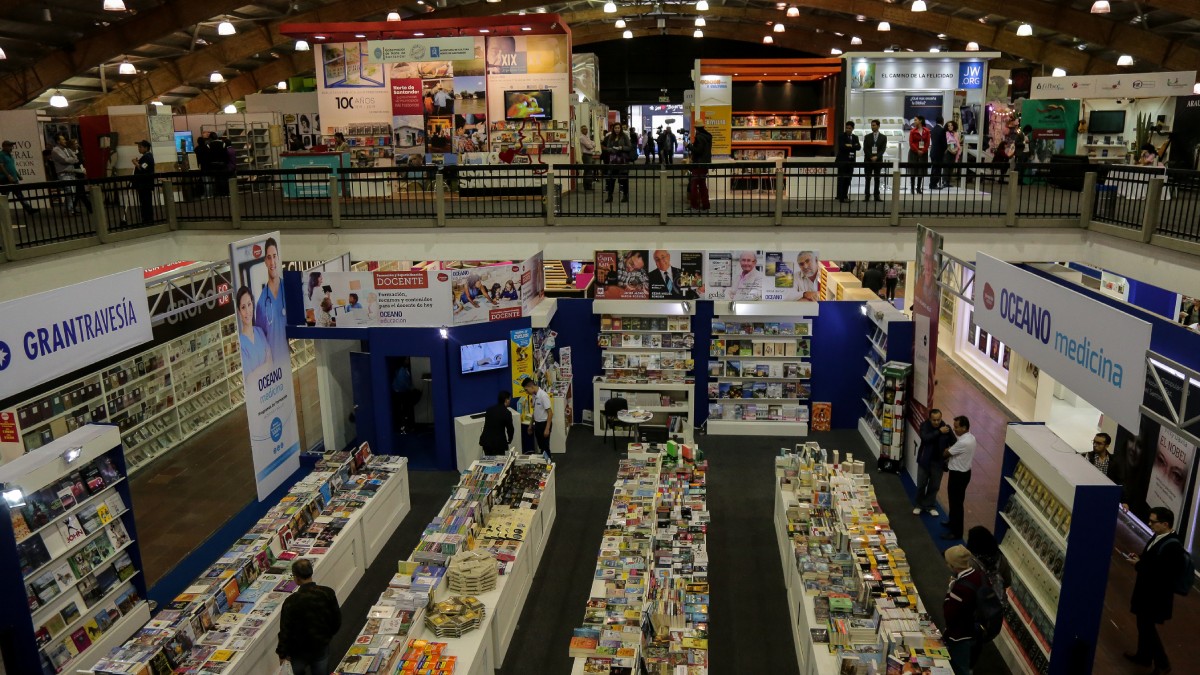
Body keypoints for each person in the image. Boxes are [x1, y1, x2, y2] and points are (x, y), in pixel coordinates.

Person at [1126, 506, 1186, 674]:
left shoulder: (1173, 546)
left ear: (1165, 524)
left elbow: (1162, 573)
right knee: (1143, 625)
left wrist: (1139, 564)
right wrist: (1140, 558)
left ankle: (1162, 663)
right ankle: (1144, 656)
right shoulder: (1159, 536)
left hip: (1154, 596)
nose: (1149, 524)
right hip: (1146, 592)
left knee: (1148, 628)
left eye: (1153, 522)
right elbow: (1152, 558)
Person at [276, 558, 341, 675]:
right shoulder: (327, 592)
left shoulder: (291, 602)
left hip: (299, 651)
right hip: (321, 645)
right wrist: (327, 636)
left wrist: (282, 653)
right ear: (311, 572)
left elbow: (285, 631)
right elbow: (336, 620)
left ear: (296, 577)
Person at [943, 545, 985, 675]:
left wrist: (949, 592)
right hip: (977, 629)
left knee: (959, 667)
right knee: (966, 663)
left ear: (953, 566)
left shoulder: (960, 588)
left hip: (961, 635)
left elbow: (949, 614)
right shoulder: (979, 575)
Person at [914, 408, 954, 516]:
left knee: (934, 485)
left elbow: (954, 443)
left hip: (938, 462)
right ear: (929, 419)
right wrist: (938, 432)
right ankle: (919, 504)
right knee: (921, 484)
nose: (936, 422)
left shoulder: (947, 429)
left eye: (938, 420)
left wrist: (948, 452)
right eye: (934, 420)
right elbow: (925, 438)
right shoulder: (924, 426)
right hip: (925, 461)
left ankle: (929, 505)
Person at [942, 415, 976, 540]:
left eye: (957, 427)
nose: (955, 430)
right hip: (964, 473)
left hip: (958, 475)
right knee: (954, 501)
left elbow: (946, 453)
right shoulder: (971, 438)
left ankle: (956, 532)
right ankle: (952, 522)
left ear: (964, 427)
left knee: (956, 504)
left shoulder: (963, 442)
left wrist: (947, 449)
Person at [254, 236, 288, 358]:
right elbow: (260, 341)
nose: (272, 262)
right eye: (269, 257)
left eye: (274, 256)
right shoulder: (261, 303)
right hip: (273, 367)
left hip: (286, 359)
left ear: (278, 258)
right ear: (265, 261)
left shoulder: (287, 289)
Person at [235, 286, 271, 372]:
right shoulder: (241, 344)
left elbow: (271, 363)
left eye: (249, 304)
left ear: (252, 304)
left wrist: (256, 372)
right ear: (239, 312)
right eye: (243, 307)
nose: (247, 311)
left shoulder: (260, 332)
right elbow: (249, 380)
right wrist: (267, 365)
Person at [0, 140, 39, 216]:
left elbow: (12, 167)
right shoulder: (1, 154)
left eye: (11, 146)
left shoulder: (10, 155)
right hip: (5, 179)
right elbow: (1, 166)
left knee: (19, 195)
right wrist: (8, 176)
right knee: (5, 197)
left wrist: (18, 175)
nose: (11, 147)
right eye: (9, 146)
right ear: (4, 146)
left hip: (13, 178)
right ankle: (2, 212)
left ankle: (29, 209)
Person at [51, 135, 85, 213]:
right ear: (58, 141)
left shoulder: (67, 149)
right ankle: (70, 211)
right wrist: (72, 159)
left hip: (71, 173)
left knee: (71, 193)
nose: (65, 141)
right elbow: (65, 160)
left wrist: (72, 159)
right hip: (64, 174)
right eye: (63, 139)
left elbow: (76, 159)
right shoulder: (56, 150)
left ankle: (68, 209)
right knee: (69, 192)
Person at [522, 377, 552, 459]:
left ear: (531, 386)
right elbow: (535, 412)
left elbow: (550, 413)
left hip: (544, 424)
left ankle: (549, 465)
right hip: (537, 424)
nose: (526, 392)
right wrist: (530, 425)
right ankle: (544, 464)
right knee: (541, 447)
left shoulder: (543, 396)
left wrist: (547, 428)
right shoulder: (534, 395)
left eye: (526, 390)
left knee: (545, 447)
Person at [479, 390, 515, 456]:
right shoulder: (506, 413)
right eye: (509, 399)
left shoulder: (489, 410)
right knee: (499, 464)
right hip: (498, 444)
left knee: (489, 462)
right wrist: (510, 439)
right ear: (506, 400)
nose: (510, 401)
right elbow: (510, 429)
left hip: (486, 442)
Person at [602, 123, 631, 204]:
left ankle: (625, 196)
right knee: (611, 179)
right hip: (613, 160)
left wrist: (621, 148)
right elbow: (607, 147)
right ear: (613, 129)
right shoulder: (610, 137)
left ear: (620, 128)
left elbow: (629, 147)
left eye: (618, 128)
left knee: (624, 179)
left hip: (622, 160)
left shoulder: (624, 136)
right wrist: (612, 150)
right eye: (615, 128)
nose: (617, 129)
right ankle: (610, 196)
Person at [687, 123, 713, 211]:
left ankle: (694, 205)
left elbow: (698, 151)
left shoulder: (699, 137)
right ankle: (706, 205)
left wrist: (688, 146)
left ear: (696, 129)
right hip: (705, 165)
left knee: (693, 185)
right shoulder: (708, 137)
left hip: (698, 164)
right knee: (702, 185)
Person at [132, 140, 156, 226]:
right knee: (145, 202)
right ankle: (147, 219)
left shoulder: (147, 157)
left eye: (140, 147)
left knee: (146, 203)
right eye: (138, 147)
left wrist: (136, 163)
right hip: (144, 185)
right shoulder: (146, 157)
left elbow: (143, 168)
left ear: (146, 148)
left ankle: (147, 220)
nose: (139, 149)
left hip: (145, 185)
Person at [835, 121, 861, 203]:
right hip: (842, 161)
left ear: (853, 129)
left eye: (850, 128)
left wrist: (850, 145)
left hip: (851, 161)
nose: (848, 129)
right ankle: (840, 196)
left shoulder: (855, 137)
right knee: (841, 179)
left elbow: (858, 147)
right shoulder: (841, 136)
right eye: (847, 128)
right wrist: (853, 146)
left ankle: (845, 195)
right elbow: (842, 146)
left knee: (848, 179)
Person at [392, 358, 419, 434]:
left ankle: (406, 426)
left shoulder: (402, 370)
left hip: (401, 392)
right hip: (401, 393)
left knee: (404, 410)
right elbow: (403, 383)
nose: (408, 360)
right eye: (407, 359)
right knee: (404, 410)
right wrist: (412, 389)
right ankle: (406, 427)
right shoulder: (402, 371)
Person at [862, 119, 887, 202]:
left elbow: (883, 149)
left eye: (874, 125)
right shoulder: (867, 136)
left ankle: (877, 195)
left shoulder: (883, 137)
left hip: (878, 160)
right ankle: (867, 195)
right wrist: (871, 157)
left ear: (878, 126)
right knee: (867, 178)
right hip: (868, 160)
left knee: (877, 178)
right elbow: (865, 148)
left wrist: (876, 157)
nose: (872, 127)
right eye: (872, 125)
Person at [908, 115, 931, 194]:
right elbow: (911, 143)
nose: (914, 122)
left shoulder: (927, 131)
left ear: (920, 121)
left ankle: (918, 188)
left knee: (921, 170)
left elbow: (927, 142)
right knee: (913, 170)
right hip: (913, 153)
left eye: (915, 120)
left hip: (923, 153)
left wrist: (923, 150)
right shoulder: (912, 131)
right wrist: (917, 150)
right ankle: (912, 188)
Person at [929, 116, 947, 190]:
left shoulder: (933, 129)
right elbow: (944, 143)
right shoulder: (942, 130)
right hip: (939, 153)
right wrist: (944, 150)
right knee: (938, 169)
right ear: (942, 121)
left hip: (933, 152)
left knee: (934, 169)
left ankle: (932, 183)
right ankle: (934, 184)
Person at [943, 120, 962, 188]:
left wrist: (956, 150)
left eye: (951, 125)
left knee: (951, 167)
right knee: (946, 167)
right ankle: (945, 181)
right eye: (948, 126)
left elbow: (957, 143)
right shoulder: (946, 133)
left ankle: (948, 182)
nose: (950, 126)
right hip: (948, 152)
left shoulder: (956, 133)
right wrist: (952, 151)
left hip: (954, 152)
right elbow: (947, 144)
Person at [578, 125, 597, 190]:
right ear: (581, 130)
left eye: (586, 129)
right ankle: (587, 186)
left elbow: (594, 144)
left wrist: (591, 144)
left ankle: (588, 186)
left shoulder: (587, 137)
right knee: (588, 171)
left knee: (588, 171)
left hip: (589, 155)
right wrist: (591, 145)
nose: (586, 131)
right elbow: (589, 146)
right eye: (584, 129)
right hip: (586, 155)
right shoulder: (582, 138)